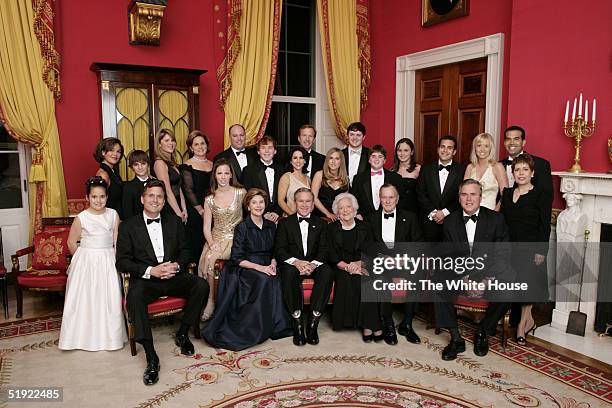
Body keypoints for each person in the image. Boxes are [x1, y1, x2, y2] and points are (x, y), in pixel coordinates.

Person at [116, 179, 209, 386]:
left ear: (164, 200)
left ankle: (183, 333)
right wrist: (151, 271)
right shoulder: (129, 226)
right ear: (142, 199)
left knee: (201, 285)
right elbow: (122, 261)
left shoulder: (174, 221)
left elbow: (186, 250)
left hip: (173, 276)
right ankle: (151, 356)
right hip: (147, 280)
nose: (155, 200)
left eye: (159, 196)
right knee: (134, 296)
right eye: (151, 195)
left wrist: (176, 265)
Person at [203, 188, 292, 350]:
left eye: (261, 202)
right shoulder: (242, 227)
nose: (258, 205)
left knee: (280, 277)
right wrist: (262, 268)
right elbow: (237, 258)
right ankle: (256, 328)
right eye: (254, 202)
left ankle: (276, 325)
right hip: (247, 267)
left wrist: (272, 263)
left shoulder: (271, 225)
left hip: (268, 264)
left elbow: (276, 251)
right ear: (248, 206)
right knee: (264, 279)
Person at [435, 179, 513, 360]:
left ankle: (483, 332)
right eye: (464, 194)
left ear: (480, 197)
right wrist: (464, 279)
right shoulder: (450, 221)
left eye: (473, 194)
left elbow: (503, 254)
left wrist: (485, 281)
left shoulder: (496, 219)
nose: (468, 199)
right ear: (459, 197)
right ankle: (456, 339)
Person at [59, 176, 127, 351]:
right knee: (85, 298)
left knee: (108, 298)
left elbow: (116, 240)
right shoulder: (81, 218)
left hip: (108, 258)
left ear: (107, 197)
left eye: (102, 196)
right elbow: (71, 243)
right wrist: (83, 259)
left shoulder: (113, 214)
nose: (99, 200)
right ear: (87, 198)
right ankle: (81, 337)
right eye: (94, 197)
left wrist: (117, 261)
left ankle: (109, 337)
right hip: (86, 261)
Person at [500, 126, 553, 329]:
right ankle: (514, 321)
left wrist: (542, 249)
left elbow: (544, 216)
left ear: (524, 142)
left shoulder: (541, 165)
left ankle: (522, 323)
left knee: (527, 280)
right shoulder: (499, 168)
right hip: (510, 240)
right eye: (508, 139)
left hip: (530, 241)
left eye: (516, 139)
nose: (511, 142)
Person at [275, 188, 335, 346]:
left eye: (308, 201)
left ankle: (313, 323)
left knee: (327, 272)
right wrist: (297, 262)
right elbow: (279, 250)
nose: (304, 204)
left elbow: (324, 249)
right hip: (293, 264)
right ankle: (298, 324)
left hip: (314, 263)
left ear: (313, 204)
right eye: (301, 201)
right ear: (295, 203)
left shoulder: (321, 223)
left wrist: (313, 265)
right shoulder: (285, 223)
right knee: (288, 273)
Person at [367, 184, 424, 345]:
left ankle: (407, 322)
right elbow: (367, 245)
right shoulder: (372, 218)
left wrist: (403, 259)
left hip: (403, 261)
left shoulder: (410, 217)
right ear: (380, 199)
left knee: (417, 273)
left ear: (397, 199)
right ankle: (388, 323)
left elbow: (418, 244)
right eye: (384, 197)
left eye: (391, 197)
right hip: (382, 262)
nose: (387, 200)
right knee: (380, 278)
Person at [198, 159, 246, 321]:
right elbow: (206, 227)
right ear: (215, 176)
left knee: (218, 260)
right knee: (210, 259)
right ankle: (210, 301)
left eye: (226, 173)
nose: (223, 177)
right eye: (220, 173)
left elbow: (253, 212)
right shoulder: (209, 199)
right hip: (216, 238)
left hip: (237, 238)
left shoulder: (241, 193)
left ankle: (227, 303)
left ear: (231, 174)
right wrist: (212, 243)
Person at [326, 193, 377, 339]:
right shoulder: (330, 229)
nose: (345, 210)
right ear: (337, 211)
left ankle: (368, 324)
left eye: (348, 207)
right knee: (345, 279)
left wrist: (357, 264)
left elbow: (371, 251)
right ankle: (347, 322)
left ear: (354, 210)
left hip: (361, 263)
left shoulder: (365, 227)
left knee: (367, 279)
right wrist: (347, 267)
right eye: (341, 208)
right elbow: (330, 254)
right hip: (340, 266)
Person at [416, 136, 464, 242]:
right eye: (442, 147)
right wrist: (434, 213)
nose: (445, 150)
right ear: (438, 149)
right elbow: (420, 193)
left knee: (449, 255)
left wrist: (444, 213)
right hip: (428, 222)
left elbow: (462, 196)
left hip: (451, 221)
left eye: (449, 148)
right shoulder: (426, 169)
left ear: (454, 151)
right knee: (428, 256)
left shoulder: (462, 170)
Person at [179, 131, 213, 263]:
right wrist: (200, 210)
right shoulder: (186, 166)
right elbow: (188, 190)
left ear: (207, 145)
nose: (200, 147)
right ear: (191, 148)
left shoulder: (213, 164)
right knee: (197, 241)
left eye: (202, 143)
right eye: (196, 144)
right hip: (195, 209)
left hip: (212, 206)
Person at [351, 144, 402, 218]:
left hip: (388, 218)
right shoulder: (358, 178)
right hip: (365, 220)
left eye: (380, 156)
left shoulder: (395, 178)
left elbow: (400, 200)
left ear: (384, 160)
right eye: (373, 156)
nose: (376, 159)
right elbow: (353, 199)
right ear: (369, 160)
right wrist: (357, 214)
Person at [242, 135, 283, 222]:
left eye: (270, 147)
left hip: (278, 217)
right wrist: (263, 213)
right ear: (258, 151)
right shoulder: (249, 171)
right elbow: (248, 197)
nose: (267, 151)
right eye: (263, 148)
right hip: (258, 216)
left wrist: (277, 212)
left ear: (275, 151)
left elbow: (285, 194)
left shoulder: (282, 170)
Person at [464, 133, 507, 211]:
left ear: (491, 148)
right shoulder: (470, 167)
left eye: (486, 146)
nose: (482, 149)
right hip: (469, 213)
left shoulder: (497, 167)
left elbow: (505, 195)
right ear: (475, 148)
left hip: (490, 213)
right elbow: (463, 193)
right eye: (479, 145)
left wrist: (495, 212)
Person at [153, 128, 187, 223]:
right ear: (159, 144)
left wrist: (184, 209)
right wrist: (179, 214)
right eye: (167, 140)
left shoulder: (171, 163)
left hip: (178, 205)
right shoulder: (160, 163)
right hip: (169, 207)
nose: (171, 143)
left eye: (172, 140)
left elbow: (179, 187)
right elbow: (167, 190)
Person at [311, 147, 349, 220]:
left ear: (341, 161)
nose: (333, 161)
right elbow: (313, 197)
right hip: (320, 216)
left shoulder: (346, 179)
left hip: (339, 218)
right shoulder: (319, 175)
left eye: (337, 158)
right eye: (331, 158)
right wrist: (328, 214)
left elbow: (345, 202)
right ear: (327, 160)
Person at [94, 137, 124, 219]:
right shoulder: (103, 174)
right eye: (111, 150)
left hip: (116, 218)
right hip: (108, 219)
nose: (115, 154)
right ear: (103, 152)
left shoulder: (112, 171)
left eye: (118, 151)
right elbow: (98, 201)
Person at [277, 146, 311, 216]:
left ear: (304, 161)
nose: (298, 161)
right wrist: (292, 215)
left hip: (306, 217)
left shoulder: (308, 179)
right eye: (295, 158)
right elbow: (280, 200)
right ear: (290, 161)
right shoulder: (286, 177)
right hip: (290, 217)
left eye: (301, 158)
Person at [392, 138, 421, 214]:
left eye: (406, 150)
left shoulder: (419, 169)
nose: (402, 154)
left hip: (414, 212)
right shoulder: (392, 171)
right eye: (399, 150)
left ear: (412, 152)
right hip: (396, 212)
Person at [122, 150, 152, 220]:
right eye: (136, 164)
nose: (140, 167)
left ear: (148, 164)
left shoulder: (157, 183)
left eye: (143, 163)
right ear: (132, 167)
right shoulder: (128, 187)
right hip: (136, 227)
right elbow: (127, 213)